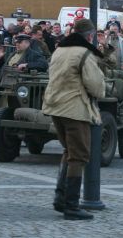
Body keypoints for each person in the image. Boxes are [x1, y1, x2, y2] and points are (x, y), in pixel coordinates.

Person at [42, 19, 105, 221]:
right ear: (89, 36)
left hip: (55, 106)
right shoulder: (84, 53)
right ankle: (71, 205)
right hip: (74, 108)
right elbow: (95, 86)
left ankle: (60, 199)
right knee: (78, 155)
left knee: (69, 151)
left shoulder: (59, 50)